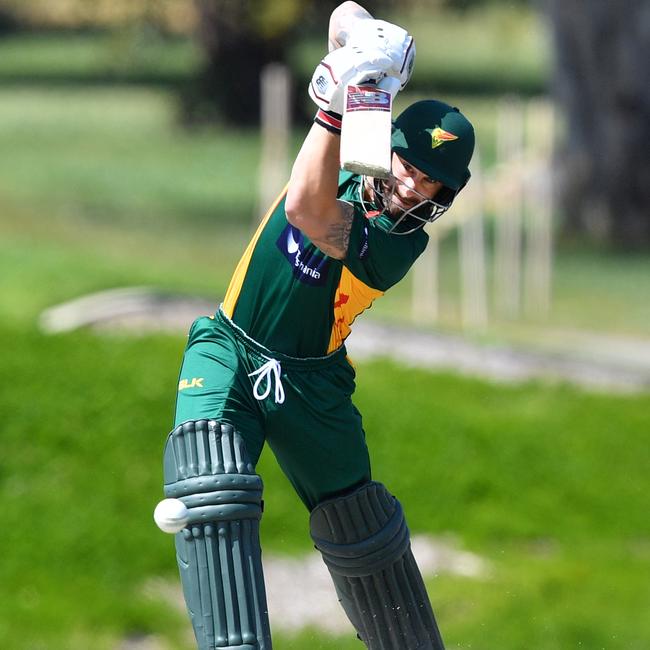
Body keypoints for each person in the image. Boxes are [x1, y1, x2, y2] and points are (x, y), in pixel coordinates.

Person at [159, 3, 474, 649]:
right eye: (412, 166)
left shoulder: (393, 244)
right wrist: (370, 52)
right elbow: (344, 13)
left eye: (433, 186)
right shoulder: (355, 152)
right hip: (229, 345)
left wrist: (334, 104)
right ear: (387, 146)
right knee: (211, 483)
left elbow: (305, 207)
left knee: (363, 529)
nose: (414, 188)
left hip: (312, 385)